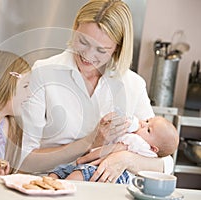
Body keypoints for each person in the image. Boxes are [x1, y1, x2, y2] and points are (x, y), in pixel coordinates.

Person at [19, 0, 174, 183]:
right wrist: (90, 142)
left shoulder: (133, 84)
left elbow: (165, 162)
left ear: (118, 47)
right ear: (75, 28)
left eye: (101, 50)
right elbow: (25, 161)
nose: (88, 55)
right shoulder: (43, 73)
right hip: (52, 185)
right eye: (83, 41)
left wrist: (125, 159)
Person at [48, 116, 179, 182]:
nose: (142, 124)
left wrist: (86, 157)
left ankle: (62, 188)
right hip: (96, 166)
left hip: (111, 172)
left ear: (153, 148)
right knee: (62, 170)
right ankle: (54, 183)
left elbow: (112, 149)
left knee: (78, 174)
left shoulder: (138, 142)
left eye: (148, 129)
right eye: (146, 121)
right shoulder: (142, 139)